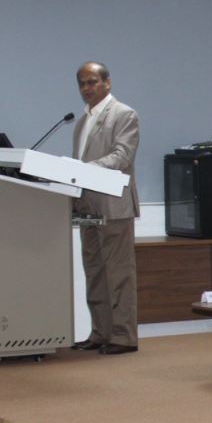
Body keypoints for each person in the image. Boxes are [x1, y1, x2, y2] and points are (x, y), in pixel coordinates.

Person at [70, 61, 141, 355]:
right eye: (82, 83)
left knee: (119, 273)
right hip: (87, 205)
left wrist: (84, 169)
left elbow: (122, 156)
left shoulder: (124, 114)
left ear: (107, 83)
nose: (87, 88)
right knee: (95, 271)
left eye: (92, 82)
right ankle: (100, 332)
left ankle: (124, 337)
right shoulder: (81, 121)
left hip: (114, 205)